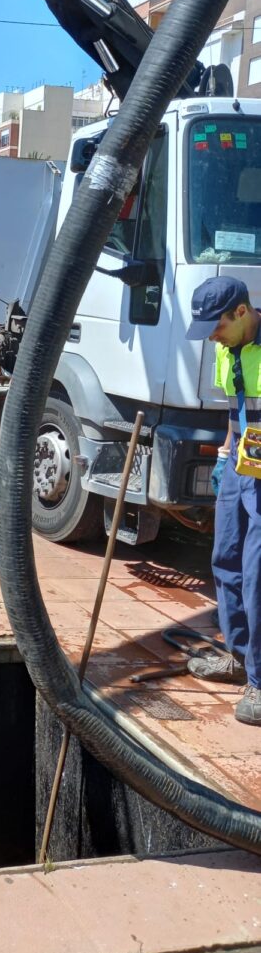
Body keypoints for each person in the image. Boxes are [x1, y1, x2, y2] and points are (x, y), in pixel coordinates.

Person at [184, 276, 261, 725]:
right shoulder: (225, 348)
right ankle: (239, 655)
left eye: (216, 326)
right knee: (226, 557)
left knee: (257, 571)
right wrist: (227, 454)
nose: (211, 336)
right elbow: (236, 405)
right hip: (241, 462)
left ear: (241, 312)